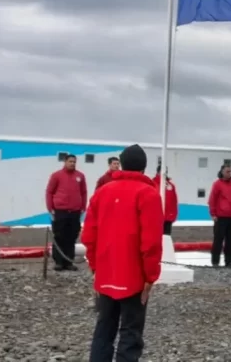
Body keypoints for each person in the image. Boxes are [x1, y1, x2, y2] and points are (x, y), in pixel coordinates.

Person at [81, 144, 164, 362]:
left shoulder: (102, 192)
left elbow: (89, 235)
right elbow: (151, 242)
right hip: (134, 276)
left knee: (104, 328)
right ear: (143, 168)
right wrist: (150, 277)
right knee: (130, 332)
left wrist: (95, 267)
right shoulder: (148, 194)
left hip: (106, 273)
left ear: (122, 164)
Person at [45, 154, 88, 271]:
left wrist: (83, 207)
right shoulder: (56, 176)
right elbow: (49, 192)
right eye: (70, 161)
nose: (72, 164)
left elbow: (83, 192)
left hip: (75, 212)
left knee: (72, 236)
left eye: (74, 162)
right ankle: (58, 262)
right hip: (60, 211)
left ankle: (69, 261)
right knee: (59, 236)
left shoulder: (80, 176)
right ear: (65, 162)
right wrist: (50, 208)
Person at [208, 164, 231, 268]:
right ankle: (215, 262)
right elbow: (212, 199)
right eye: (227, 171)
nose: (229, 173)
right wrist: (213, 214)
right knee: (218, 239)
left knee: (230, 240)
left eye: (230, 171)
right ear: (222, 171)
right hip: (221, 216)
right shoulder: (217, 184)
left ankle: (229, 261)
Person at [153, 165, 178, 236]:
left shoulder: (171, 186)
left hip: (167, 218)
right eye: (162, 171)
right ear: (158, 172)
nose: (164, 173)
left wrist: (173, 215)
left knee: (166, 238)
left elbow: (174, 201)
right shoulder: (152, 184)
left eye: (165, 171)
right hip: (156, 217)